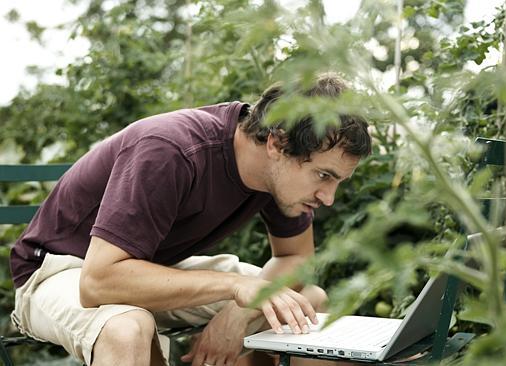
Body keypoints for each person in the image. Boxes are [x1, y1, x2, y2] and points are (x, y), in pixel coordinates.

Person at [9, 73, 372, 366]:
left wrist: (236, 315)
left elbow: (296, 259)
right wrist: (233, 289)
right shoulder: (172, 150)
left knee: (307, 301)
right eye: (324, 176)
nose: (328, 198)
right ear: (277, 144)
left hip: (148, 266)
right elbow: (98, 282)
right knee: (127, 328)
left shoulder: (278, 173)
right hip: (60, 270)